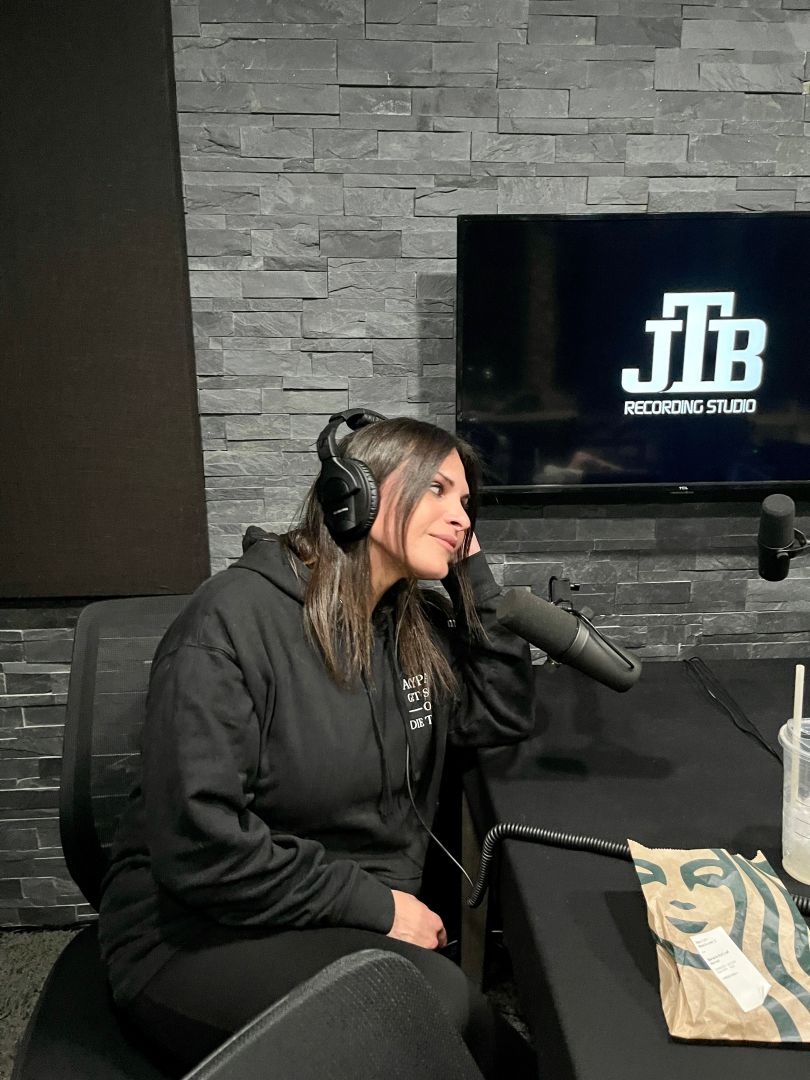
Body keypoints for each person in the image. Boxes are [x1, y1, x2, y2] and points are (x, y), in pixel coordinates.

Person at [98, 412, 535, 1077]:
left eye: (466, 503)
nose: (460, 518)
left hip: (331, 913)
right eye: (437, 489)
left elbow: (498, 712)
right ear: (356, 494)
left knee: (481, 1036)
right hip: (195, 930)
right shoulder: (230, 622)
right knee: (431, 1010)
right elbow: (199, 846)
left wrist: (472, 574)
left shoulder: (404, 623)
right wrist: (378, 907)